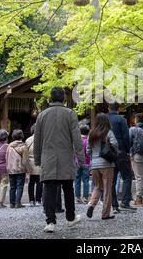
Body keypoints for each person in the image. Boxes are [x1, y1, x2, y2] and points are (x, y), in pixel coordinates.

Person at [34, 86, 84, 233]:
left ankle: (50, 222)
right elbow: (77, 139)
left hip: (48, 157)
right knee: (68, 187)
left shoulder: (42, 115)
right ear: (64, 98)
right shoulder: (70, 114)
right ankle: (70, 218)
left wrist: (37, 159)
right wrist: (81, 158)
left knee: (48, 188)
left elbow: (37, 140)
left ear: (50, 98)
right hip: (66, 157)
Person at [86, 113, 117, 220]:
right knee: (107, 189)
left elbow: (88, 150)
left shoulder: (91, 133)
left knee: (97, 187)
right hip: (107, 164)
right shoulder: (108, 132)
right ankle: (105, 214)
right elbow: (115, 145)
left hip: (94, 164)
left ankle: (91, 205)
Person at [107, 103, 135, 213]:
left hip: (109, 153)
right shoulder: (121, 119)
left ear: (109, 108)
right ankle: (125, 202)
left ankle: (114, 205)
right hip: (121, 151)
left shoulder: (104, 119)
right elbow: (125, 136)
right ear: (119, 109)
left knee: (112, 180)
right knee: (127, 177)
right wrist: (127, 150)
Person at [6, 129, 30, 209]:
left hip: (11, 169)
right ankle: (17, 203)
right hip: (20, 169)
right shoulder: (23, 146)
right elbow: (25, 160)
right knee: (20, 186)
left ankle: (11, 203)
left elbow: (6, 157)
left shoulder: (9, 146)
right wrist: (28, 169)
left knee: (12, 186)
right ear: (22, 136)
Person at [26, 124, 42, 207]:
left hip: (30, 164)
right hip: (40, 163)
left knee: (31, 183)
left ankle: (31, 200)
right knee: (39, 183)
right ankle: (38, 200)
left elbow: (25, 153)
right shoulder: (42, 139)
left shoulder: (28, 140)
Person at [74, 124, 90, 204]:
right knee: (86, 180)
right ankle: (85, 197)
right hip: (86, 162)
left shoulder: (76, 140)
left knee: (77, 180)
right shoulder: (88, 140)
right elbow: (89, 152)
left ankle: (77, 197)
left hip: (76, 162)